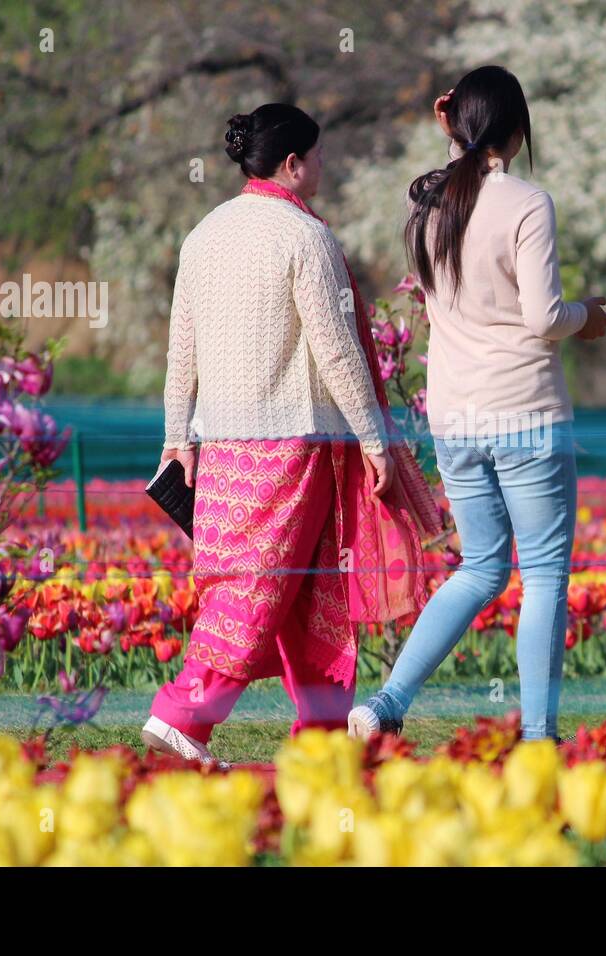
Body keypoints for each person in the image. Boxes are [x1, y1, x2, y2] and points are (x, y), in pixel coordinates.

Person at [142, 103, 441, 766]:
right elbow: (336, 352)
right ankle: (184, 715)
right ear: (293, 163)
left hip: (221, 443)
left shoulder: (204, 235)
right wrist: (373, 439)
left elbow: (179, 352)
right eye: (320, 156)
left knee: (305, 588)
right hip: (293, 445)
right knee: (258, 588)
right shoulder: (304, 238)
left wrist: (176, 438)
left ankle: (323, 739)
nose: (325, 167)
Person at [347, 65, 606, 742]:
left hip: (456, 416)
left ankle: (383, 707)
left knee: (481, 569)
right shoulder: (527, 202)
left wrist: (452, 131)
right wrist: (589, 316)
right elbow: (543, 315)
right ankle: (537, 736)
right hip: (524, 410)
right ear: (518, 130)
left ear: (456, 126)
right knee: (545, 574)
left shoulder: (427, 204)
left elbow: (462, 174)